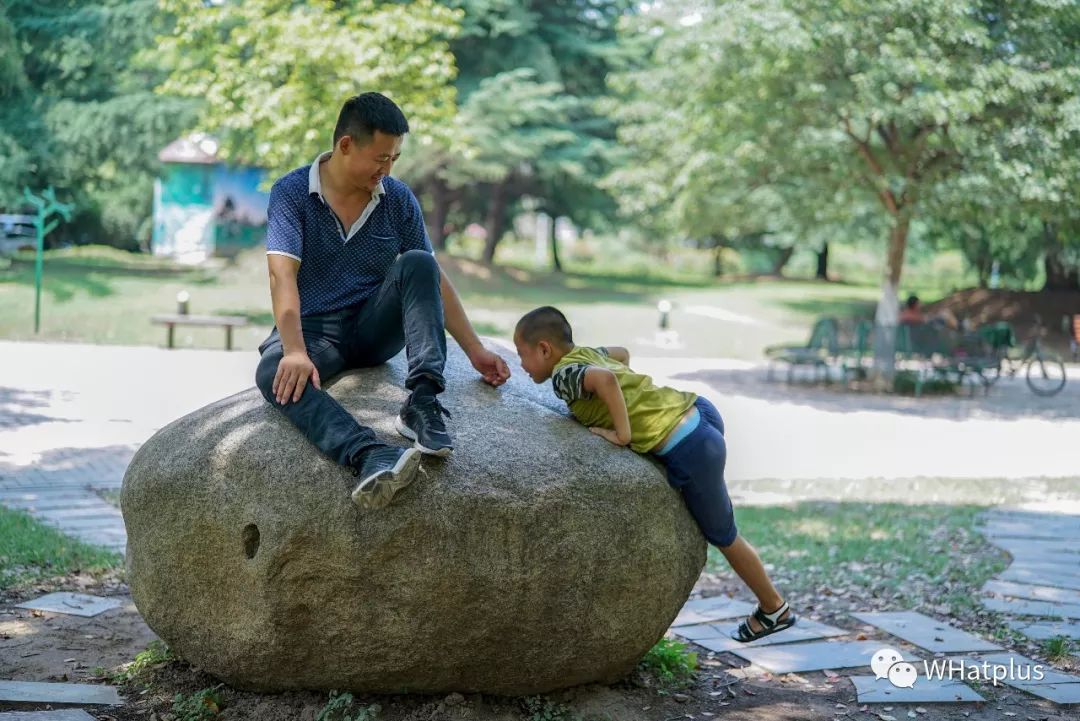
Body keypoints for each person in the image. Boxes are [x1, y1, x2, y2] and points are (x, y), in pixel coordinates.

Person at [255, 92, 510, 510]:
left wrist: (475, 349)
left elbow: (431, 279)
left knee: (418, 262)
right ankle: (370, 454)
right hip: (318, 333)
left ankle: (422, 402)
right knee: (274, 371)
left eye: (394, 157)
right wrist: (296, 351)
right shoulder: (291, 193)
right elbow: (281, 275)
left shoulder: (397, 198)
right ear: (345, 145)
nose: (388, 169)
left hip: (374, 327)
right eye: (381, 158)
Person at [512, 306, 796, 642]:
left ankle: (774, 607)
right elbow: (622, 355)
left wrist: (622, 433)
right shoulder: (587, 354)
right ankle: (771, 605)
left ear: (545, 349)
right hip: (699, 412)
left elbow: (605, 380)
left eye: (522, 354)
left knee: (724, 535)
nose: (521, 364)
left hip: (688, 446)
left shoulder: (564, 375)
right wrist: (629, 402)